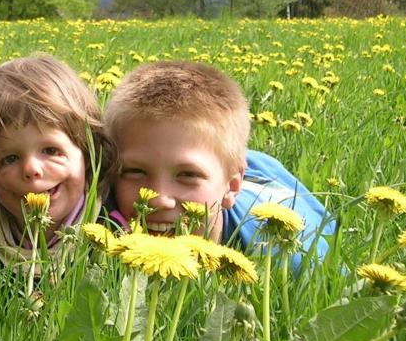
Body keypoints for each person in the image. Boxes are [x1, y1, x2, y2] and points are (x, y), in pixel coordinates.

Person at [104, 60, 334, 272]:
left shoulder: (283, 254)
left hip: (268, 187)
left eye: (188, 175)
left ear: (232, 187)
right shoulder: (100, 222)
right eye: (135, 171)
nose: (158, 199)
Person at [0, 54, 115, 269]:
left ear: (87, 154)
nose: (31, 169)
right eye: (10, 158)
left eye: (51, 150)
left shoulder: (114, 235)